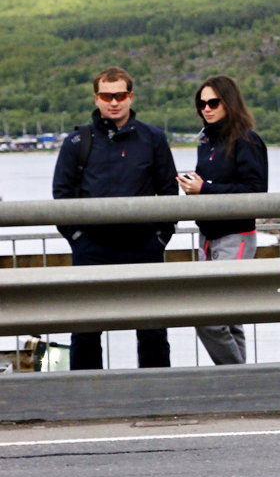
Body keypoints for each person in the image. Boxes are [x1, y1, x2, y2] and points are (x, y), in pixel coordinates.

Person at [51, 66, 178, 369]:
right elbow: (61, 195)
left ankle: (157, 396)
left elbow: (169, 192)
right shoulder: (76, 142)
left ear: (130, 96)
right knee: (85, 330)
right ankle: (86, 400)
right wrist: (78, 239)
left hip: (143, 247)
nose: (114, 102)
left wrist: (160, 238)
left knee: (152, 330)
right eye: (107, 96)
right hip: (92, 248)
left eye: (120, 95)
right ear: (96, 98)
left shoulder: (153, 138)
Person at [176, 75, 268, 363]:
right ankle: (243, 384)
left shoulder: (247, 140)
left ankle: (237, 376)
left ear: (228, 102)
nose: (206, 108)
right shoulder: (206, 140)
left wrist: (205, 188)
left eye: (213, 102)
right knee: (229, 318)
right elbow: (213, 183)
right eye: (201, 103)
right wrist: (196, 188)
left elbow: (255, 191)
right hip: (207, 237)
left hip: (236, 236)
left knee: (209, 316)